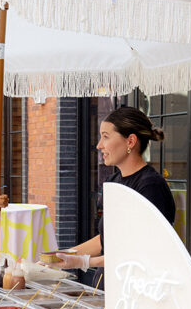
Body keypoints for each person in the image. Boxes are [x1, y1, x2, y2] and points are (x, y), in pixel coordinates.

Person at [56, 106, 176, 273]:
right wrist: (60, 256)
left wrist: (82, 261)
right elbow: (105, 241)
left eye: (106, 137)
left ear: (130, 141)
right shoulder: (113, 182)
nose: (99, 145)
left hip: (135, 287)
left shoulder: (150, 186)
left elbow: (142, 250)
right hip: (109, 282)